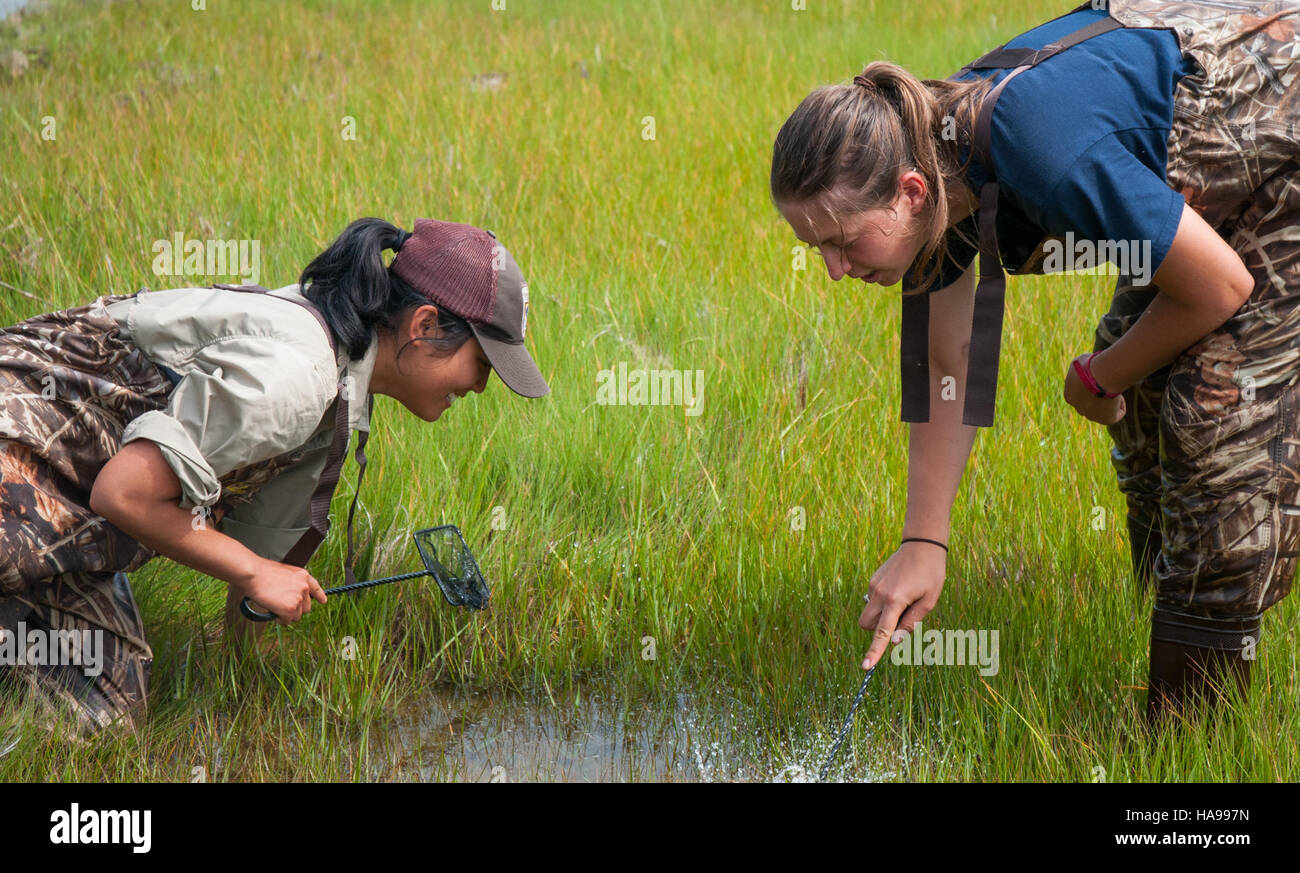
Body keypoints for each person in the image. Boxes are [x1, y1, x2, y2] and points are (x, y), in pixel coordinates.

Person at [769, 0, 1299, 727]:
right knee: (1148, 392)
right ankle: (1153, 625)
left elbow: (1220, 286)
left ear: (909, 194)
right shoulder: (928, 155)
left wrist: (1098, 375)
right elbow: (950, 357)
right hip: (1187, 169)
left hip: (1276, 129)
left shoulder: (1037, 147)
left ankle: (1192, 752)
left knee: (1213, 424)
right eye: (814, 248)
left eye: (844, 242)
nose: (833, 270)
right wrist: (924, 543)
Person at [0, 217, 548, 737]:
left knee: (106, 708)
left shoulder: (338, 392)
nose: (480, 388)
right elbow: (124, 493)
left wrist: (260, 665)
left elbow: (265, 558)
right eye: (483, 365)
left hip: (67, 496)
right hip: (15, 440)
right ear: (425, 325)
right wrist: (258, 573)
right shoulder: (296, 376)